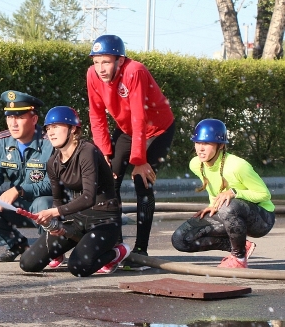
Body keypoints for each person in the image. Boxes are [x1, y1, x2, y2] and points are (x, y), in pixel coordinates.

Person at [87, 34, 175, 266]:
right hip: (127, 129)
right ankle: (116, 245)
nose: (100, 68)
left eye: (106, 62)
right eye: (96, 62)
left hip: (156, 129)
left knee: (141, 182)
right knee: (108, 180)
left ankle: (140, 249)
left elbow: (139, 116)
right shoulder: (92, 75)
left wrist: (139, 160)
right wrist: (103, 152)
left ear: (120, 60)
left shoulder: (134, 71)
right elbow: (96, 116)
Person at [20, 106, 131, 277]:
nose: (51, 132)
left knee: (78, 267)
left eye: (56, 126)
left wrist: (52, 212)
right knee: (28, 263)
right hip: (76, 219)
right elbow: (57, 200)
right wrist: (54, 224)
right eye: (48, 128)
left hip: (104, 219)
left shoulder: (87, 151)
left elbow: (88, 197)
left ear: (73, 129)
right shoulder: (53, 162)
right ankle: (62, 250)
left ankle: (117, 252)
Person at [170, 119, 275, 268]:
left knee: (228, 206)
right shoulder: (195, 164)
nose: (201, 148)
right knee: (181, 239)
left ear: (220, 146)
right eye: (198, 142)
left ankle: (239, 258)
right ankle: (241, 246)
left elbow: (264, 195)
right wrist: (213, 205)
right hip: (230, 213)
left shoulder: (237, 166)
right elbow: (213, 186)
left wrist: (234, 192)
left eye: (207, 144)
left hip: (262, 219)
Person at [0, 91, 55, 263]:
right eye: (9, 117)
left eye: (19, 117)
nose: (13, 123)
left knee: (43, 203)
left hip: (49, 205)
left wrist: (20, 190)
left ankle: (50, 248)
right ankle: (17, 245)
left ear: (34, 119)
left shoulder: (49, 143)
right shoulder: (1, 142)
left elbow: (56, 184)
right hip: (20, 204)